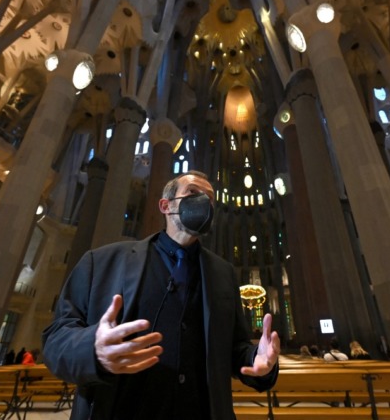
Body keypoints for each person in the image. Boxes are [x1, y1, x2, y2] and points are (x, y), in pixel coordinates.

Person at [42, 171, 280, 420]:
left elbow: (233, 350)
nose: (205, 203)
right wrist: (94, 349)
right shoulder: (101, 262)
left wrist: (258, 358)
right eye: (193, 193)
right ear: (166, 206)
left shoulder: (224, 274)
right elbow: (55, 339)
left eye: (210, 199)